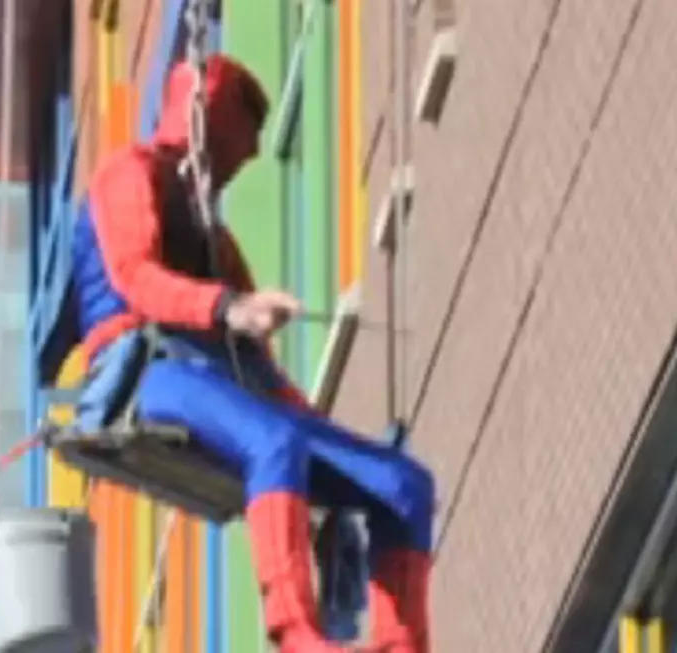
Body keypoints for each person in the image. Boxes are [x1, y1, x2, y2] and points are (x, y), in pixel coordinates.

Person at [70, 53, 435, 653]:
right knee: (274, 442)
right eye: (226, 160)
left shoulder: (216, 243)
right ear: (199, 128)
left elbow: (262, 374)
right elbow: (135, 275)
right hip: (144, 370)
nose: (224, 181)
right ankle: (296, 633)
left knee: (402, 483)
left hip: (217, 380)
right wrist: (228, 308)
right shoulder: (127, 175)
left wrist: (334, 435)